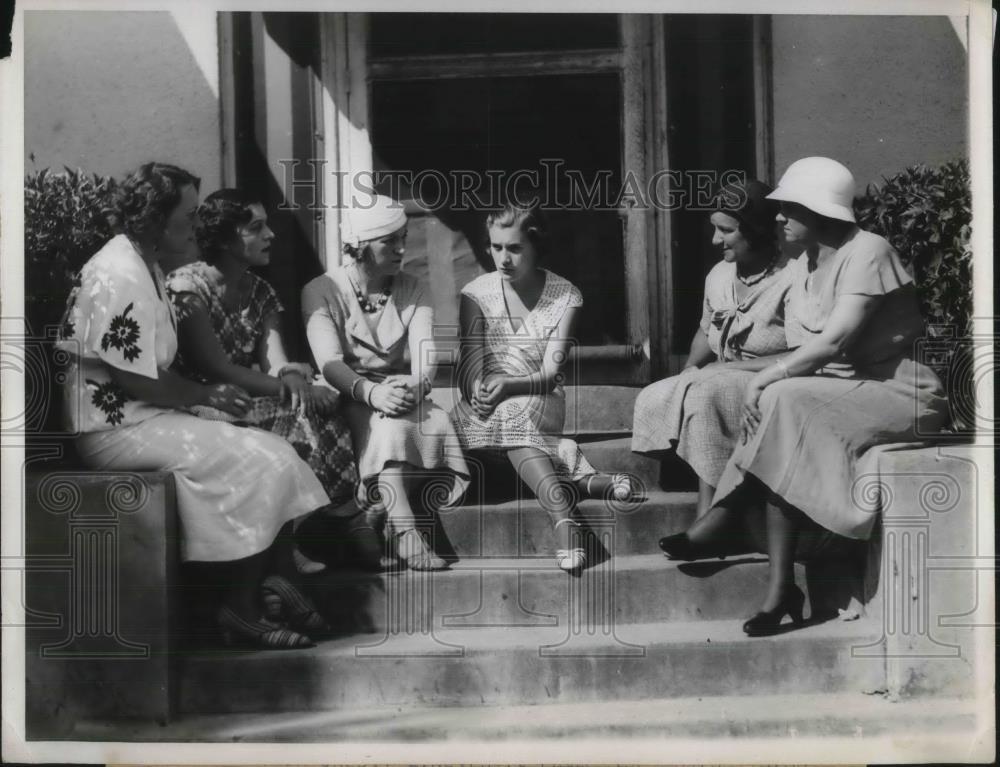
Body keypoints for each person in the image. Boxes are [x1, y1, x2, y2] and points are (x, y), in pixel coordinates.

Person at [658, 157, 949, 636]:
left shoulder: (868, 252)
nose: (777, 219)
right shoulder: (803, 265)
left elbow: (834, 342)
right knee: (785, 402)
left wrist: (764, 376)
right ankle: (780, 588)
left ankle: (725, 519)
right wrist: (758, 372)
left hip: (900, 391)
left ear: (821, 213)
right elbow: (798, 347)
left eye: (789, 209)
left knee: (783, 398)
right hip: (839, 387)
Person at [57, 162, 333, 649]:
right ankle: (242, 608)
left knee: (268, 446)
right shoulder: (119, 271)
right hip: (113, 429)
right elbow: (133, 377)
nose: (195, 224)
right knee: (266, 459)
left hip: (145, 415)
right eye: (186, 215)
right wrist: (204, 395)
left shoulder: (146, 263)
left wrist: (205, 400)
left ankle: (268, 580)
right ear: (154, 219)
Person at [165, 189, 377, 574]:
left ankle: (317, 521)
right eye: (256, 228)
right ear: (226, 237)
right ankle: (285, 541)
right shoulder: (186, 288)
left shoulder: (260, 292)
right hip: (201, 401)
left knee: (318, 407)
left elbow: (274, 361)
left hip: (249, 394)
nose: (271, 236)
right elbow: (217, 368)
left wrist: (293, 377)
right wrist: (290, 384)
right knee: (292, 410)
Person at [451, 203, 631, 573]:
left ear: (536, 246)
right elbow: (470, 365)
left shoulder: (566, 296)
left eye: (514, 248)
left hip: (540, 398)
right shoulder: (475, 293)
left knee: (511, 412)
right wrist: (478, 390)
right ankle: (584, 480)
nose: (503, 258)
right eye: (496, 247)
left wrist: (507, 387)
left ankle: (563, 519)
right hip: (483, 407)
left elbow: (550, 374)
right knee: (466, 439)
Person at [302, 194, 470, 571]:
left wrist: (417, 385)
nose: (400, 248)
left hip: (400, 388)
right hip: (348, 392)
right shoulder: (320, 291)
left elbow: (427, 355)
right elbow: (329, 362)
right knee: (390, 429)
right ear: (359, 247)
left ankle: (373, 508)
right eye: (388, 241)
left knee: (435, 421)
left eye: (403, 237)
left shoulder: (414, 287)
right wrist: (372, 392)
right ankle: (407, 530)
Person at [633, 179, 791, 524]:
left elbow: (801, 353)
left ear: (757, 229)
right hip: (723, 372)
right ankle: (706, 477)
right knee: (656, 393)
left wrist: (723, 371)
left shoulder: (792, 277)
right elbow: (708, 329)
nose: (715, 240)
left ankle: (710, 515)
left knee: (706, 394)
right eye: (714, 229)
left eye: (726, 231)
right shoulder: (719, 274)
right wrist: (691, 366)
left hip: (769, 379)